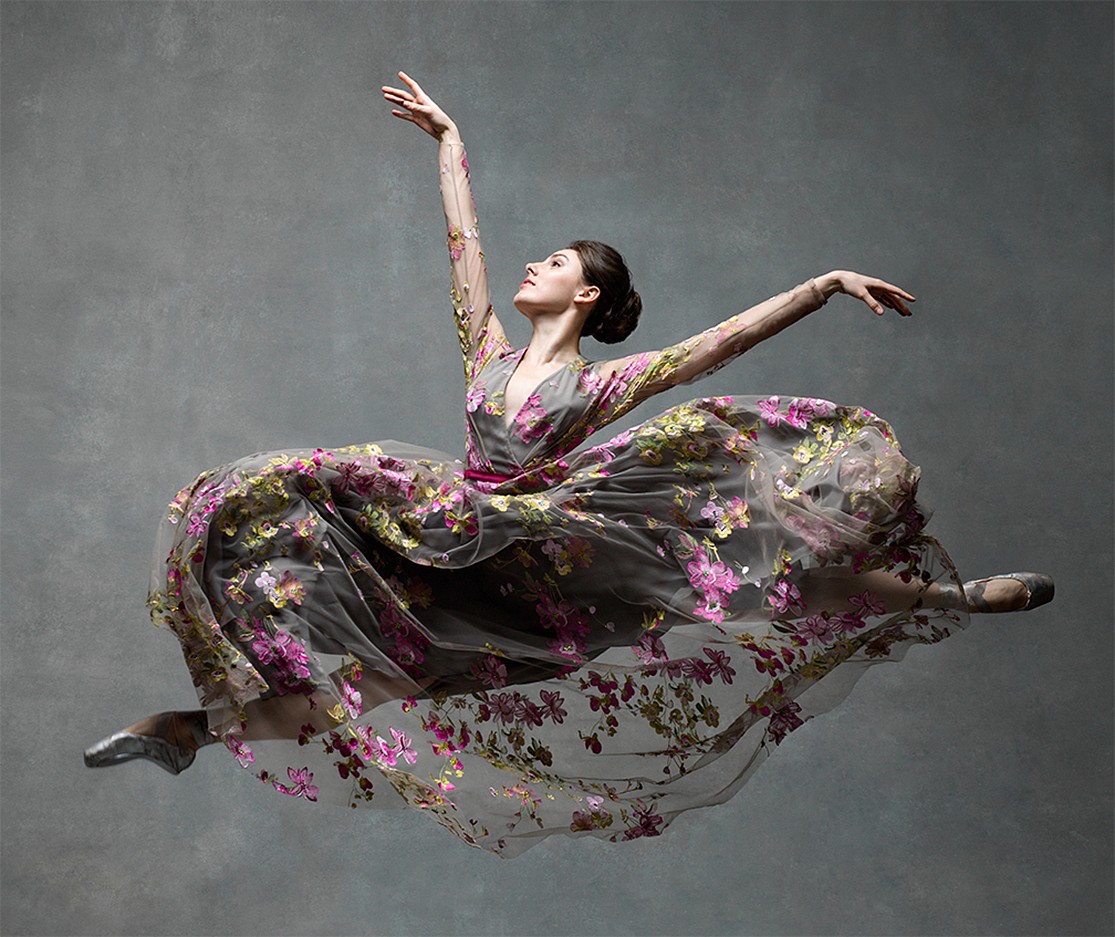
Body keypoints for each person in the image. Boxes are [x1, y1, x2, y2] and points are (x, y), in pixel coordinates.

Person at [84, 71, 1053, 857]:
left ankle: (949, 599)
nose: (529, 269)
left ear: (585, 294)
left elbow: (714, 348)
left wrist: (820, 282)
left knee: (750, 567)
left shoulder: (598, 387)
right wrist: (449, 145)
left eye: (550, 264)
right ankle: (187, 728)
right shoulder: (490, 356)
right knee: (301, 554)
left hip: (525, 557)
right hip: (434, 537)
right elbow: (460, 248)